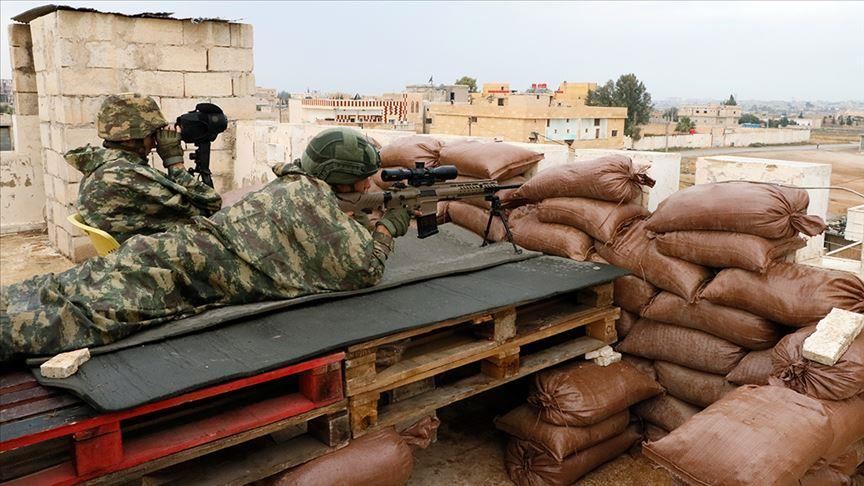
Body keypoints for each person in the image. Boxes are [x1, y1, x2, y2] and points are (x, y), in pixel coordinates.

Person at [0, 128, 411, 362]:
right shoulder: (316, 207)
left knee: (58, 288)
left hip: (164, 251)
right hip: (173, 280)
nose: (367, 185)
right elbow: (364, 269)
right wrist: (389, 227)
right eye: (364, 178)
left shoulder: (293, 184)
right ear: (341, 177)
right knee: (69, 320)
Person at [66, 93, 223, 243]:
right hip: (148, 255)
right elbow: (209, 207)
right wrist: (174, 162)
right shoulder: (127, 176)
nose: (155, 142)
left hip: (132, 249)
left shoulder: (101, 165)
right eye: (152, 134)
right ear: (129, 140)